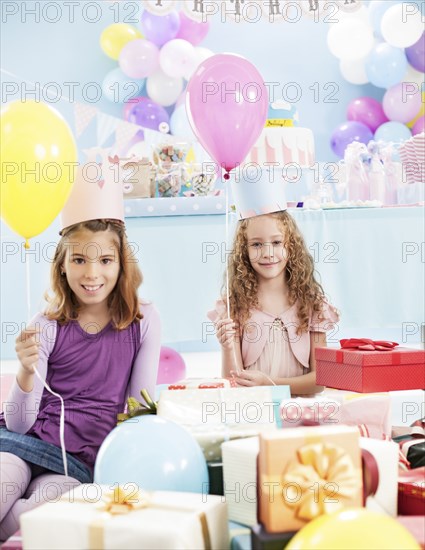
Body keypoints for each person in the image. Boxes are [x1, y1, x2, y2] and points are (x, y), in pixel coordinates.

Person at [0, 166, 161, 541]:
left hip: (75, 463)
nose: (92, 274)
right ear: (62, 264)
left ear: (122, 264)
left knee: (37, 518)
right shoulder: (47, 323)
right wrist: (24, 371)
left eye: (105, 260)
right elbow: (21, 424)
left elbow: (137, 411)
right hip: (20, 443)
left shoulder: (143, 320)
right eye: (78, 260)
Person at [208, 192, 339, 395]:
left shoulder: (312, 304)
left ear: (291, 246)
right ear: (244, 250)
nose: (268, 253)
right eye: (257, 244)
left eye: (277, 242)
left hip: (301, 413)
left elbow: (320, 380)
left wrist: (269, 383)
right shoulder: (233, 306)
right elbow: (233, 383)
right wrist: (226, 346)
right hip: (254, 411)